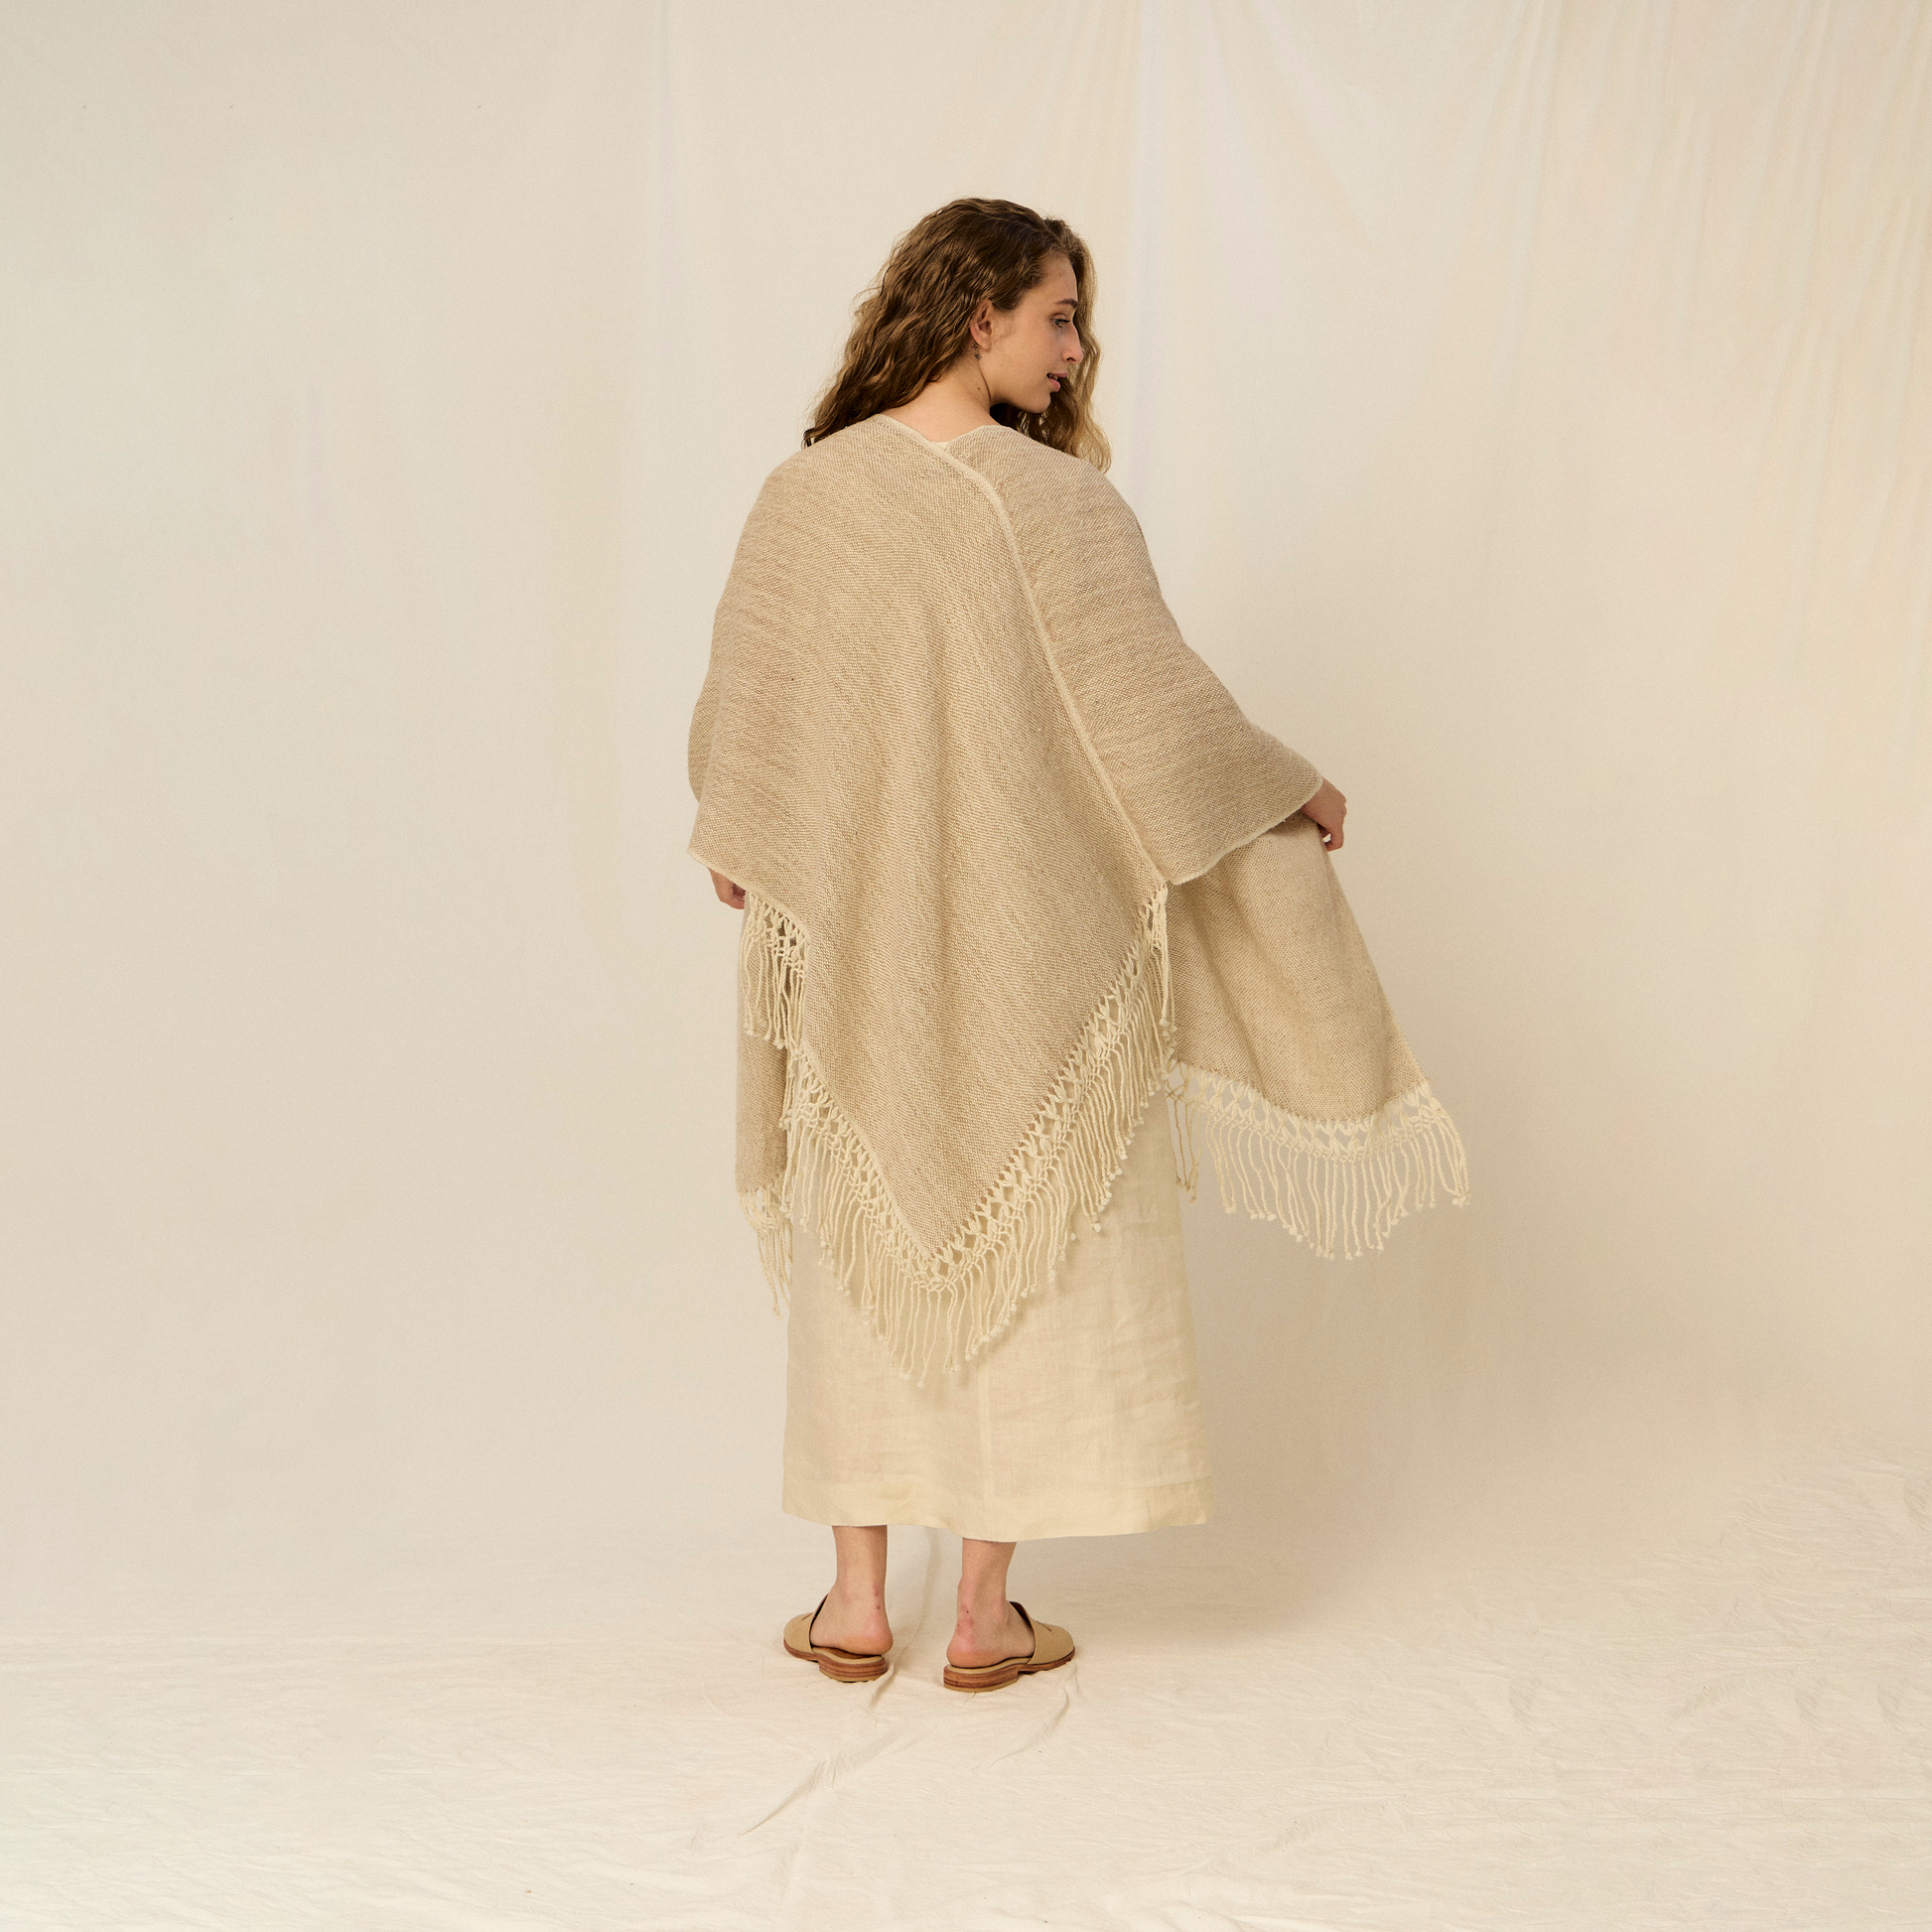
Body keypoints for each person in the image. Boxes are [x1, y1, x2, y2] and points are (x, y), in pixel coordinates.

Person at [687, 199, 1464, 1693]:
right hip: (1034, 961)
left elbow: (742, 730)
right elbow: (1164, 729)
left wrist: (753, 838)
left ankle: (855, 1606)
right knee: (1032, 1259)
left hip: (860, 951)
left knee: (861, 1256)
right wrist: (1289, 786)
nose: (1076, 348)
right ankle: (984, 1619)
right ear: (974, 313)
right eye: (1056, 316)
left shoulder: (807, 496)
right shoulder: (1060, 508)